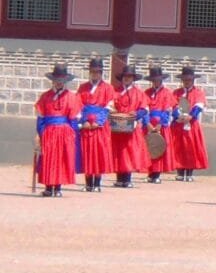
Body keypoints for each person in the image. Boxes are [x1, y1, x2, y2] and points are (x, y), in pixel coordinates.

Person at [34, 63, 82, 197]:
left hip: (64, 132)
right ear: (53, 81)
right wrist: (41, 132)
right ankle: (49, 187)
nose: (59, 83)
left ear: (65, 81)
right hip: (48, 131)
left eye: (61, 81)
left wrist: (72, 134)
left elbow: (73, 119)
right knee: (48, 158)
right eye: (57, 80)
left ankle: (58, 187)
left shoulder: (72, 97)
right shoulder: (45, 97)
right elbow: (40, 118)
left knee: (61, 159)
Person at [76, 57, 114, 192]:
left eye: (97, 72)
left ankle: (97, 183)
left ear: (101, 72)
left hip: (100, 125)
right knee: (87, 152)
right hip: (86, 124)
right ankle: (88, 183)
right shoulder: (82, 87)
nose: (95, 74)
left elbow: (109, 106)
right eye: (93, 71)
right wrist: (84, 121)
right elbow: (78, 105)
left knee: (99, 153)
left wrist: (99, 121)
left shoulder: (108, 88)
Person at [111, 65, 148, 188]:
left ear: (133, 78)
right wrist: (114, 112)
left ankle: (127, 178)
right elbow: (109, 106)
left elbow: (144, 109)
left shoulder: (139, 93)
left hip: (132, 126)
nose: (127, 79)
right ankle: (119, 178)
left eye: (129, 77)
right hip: (117, 125)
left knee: (130, 151)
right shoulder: (115, 91)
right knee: (118, 152)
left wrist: (136, 115)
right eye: (125, 76)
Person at [171, 66, 208, 182]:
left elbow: (199, 106)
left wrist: (190, 116)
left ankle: (190, 172)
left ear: (193, 80)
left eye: (189, 79)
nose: (187, 82)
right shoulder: (176, 93)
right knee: (178, 147)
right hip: (178, 124)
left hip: (191, 124)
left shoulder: (198, 92)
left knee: (191, 147)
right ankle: (180, 171)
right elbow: (172, 106)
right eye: (185, 79)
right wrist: (178, 115)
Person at [143, 66, 177, 184]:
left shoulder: (167, 93)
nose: (156, 82)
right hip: (148, 124)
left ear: (161, 80)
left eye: (158, 79)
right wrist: (147, 123)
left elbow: (167, 110)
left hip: (160, 125)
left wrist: (160, 125)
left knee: (158, 147)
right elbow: (144, 109)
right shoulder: (146, 93)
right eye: (154, 80)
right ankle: (150, 172)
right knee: (149, 147)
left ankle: (156, 173)